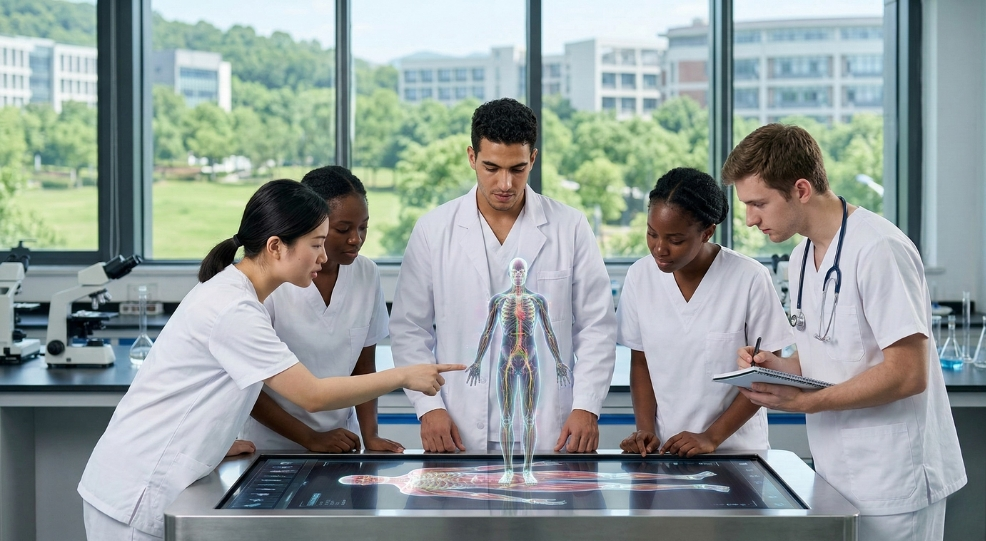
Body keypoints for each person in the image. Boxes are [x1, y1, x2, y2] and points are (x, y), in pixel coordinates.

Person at [77, 179, 462, 541]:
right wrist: (404, 376)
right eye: (316, 244)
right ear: (276, 246)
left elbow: (198, 391)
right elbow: (311, 395)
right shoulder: (234, 308)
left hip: (156, 476)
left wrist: (213, 441)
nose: (324, 256)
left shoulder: (239, 297)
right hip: (137, 488)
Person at [723, 123, 966, 541]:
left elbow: (909, 373)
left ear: (801, 189)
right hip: (836, 475)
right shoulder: (800, 258)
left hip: (894, 479)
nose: (749, 220)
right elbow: (830, 353)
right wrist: (777, 366)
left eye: (758, 203)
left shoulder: (879, 249)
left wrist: (808, 401)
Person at [390, 97, 617, 455]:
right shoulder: (434, 230)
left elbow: (596, 325)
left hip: (548, 427)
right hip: (459, 422)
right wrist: (428, 408)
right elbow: (409, 328)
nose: (505, 183)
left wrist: (586, 405)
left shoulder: (569, 227)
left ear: (534, 160)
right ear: (471, 157)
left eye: (518, 168)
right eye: (491, 167)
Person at [617, 167, 794, 458]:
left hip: (736, 451)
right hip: (666, 452)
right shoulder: (640, 277)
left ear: (707, 232)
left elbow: (767, 372)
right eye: (651, 234)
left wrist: (711, 437)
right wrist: (645, 430)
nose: (659, 249)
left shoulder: (749, 278)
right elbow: (641, 363)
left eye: (675, 240)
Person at [239, 166, 402, 453]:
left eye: (363, 226)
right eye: (342, 229)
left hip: (340, 442)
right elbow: (250, 388)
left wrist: (370, 435)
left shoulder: (366, 274)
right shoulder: (270, 283)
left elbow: (364, 368)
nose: (356, 239)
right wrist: (310, 438)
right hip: (272, 446)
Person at [466, 257, 571, 484]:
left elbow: (549, 332)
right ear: (509, 273)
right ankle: (507, 469)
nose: (518, 275)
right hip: (506, 359)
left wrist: (559, 361)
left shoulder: (537, 300)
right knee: (505, 417)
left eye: (521, 271)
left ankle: (526, 469)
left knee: (529, 418)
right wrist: (477, 361)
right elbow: (487, 332)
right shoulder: (499, 300)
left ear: (526, 273)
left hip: (530, 359)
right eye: (514, 271)